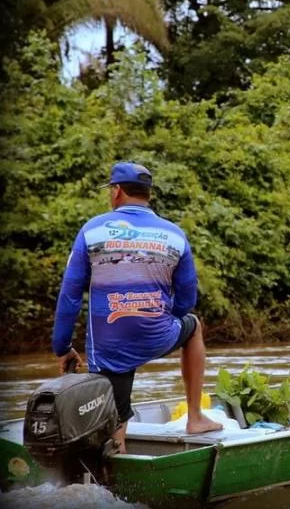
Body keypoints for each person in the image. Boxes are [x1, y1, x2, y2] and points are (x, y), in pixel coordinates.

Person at [52, 162, 221, 453]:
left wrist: (62, 347)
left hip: (110, 346)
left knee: (114, 429)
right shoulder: (174, 235)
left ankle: (113, 468)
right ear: (148, 194)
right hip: (159, 333)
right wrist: (164, 317)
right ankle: (195, 417)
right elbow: (186, 300)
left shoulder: (92, 231)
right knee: (193, 326)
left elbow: (69, 296)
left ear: (116, 191)